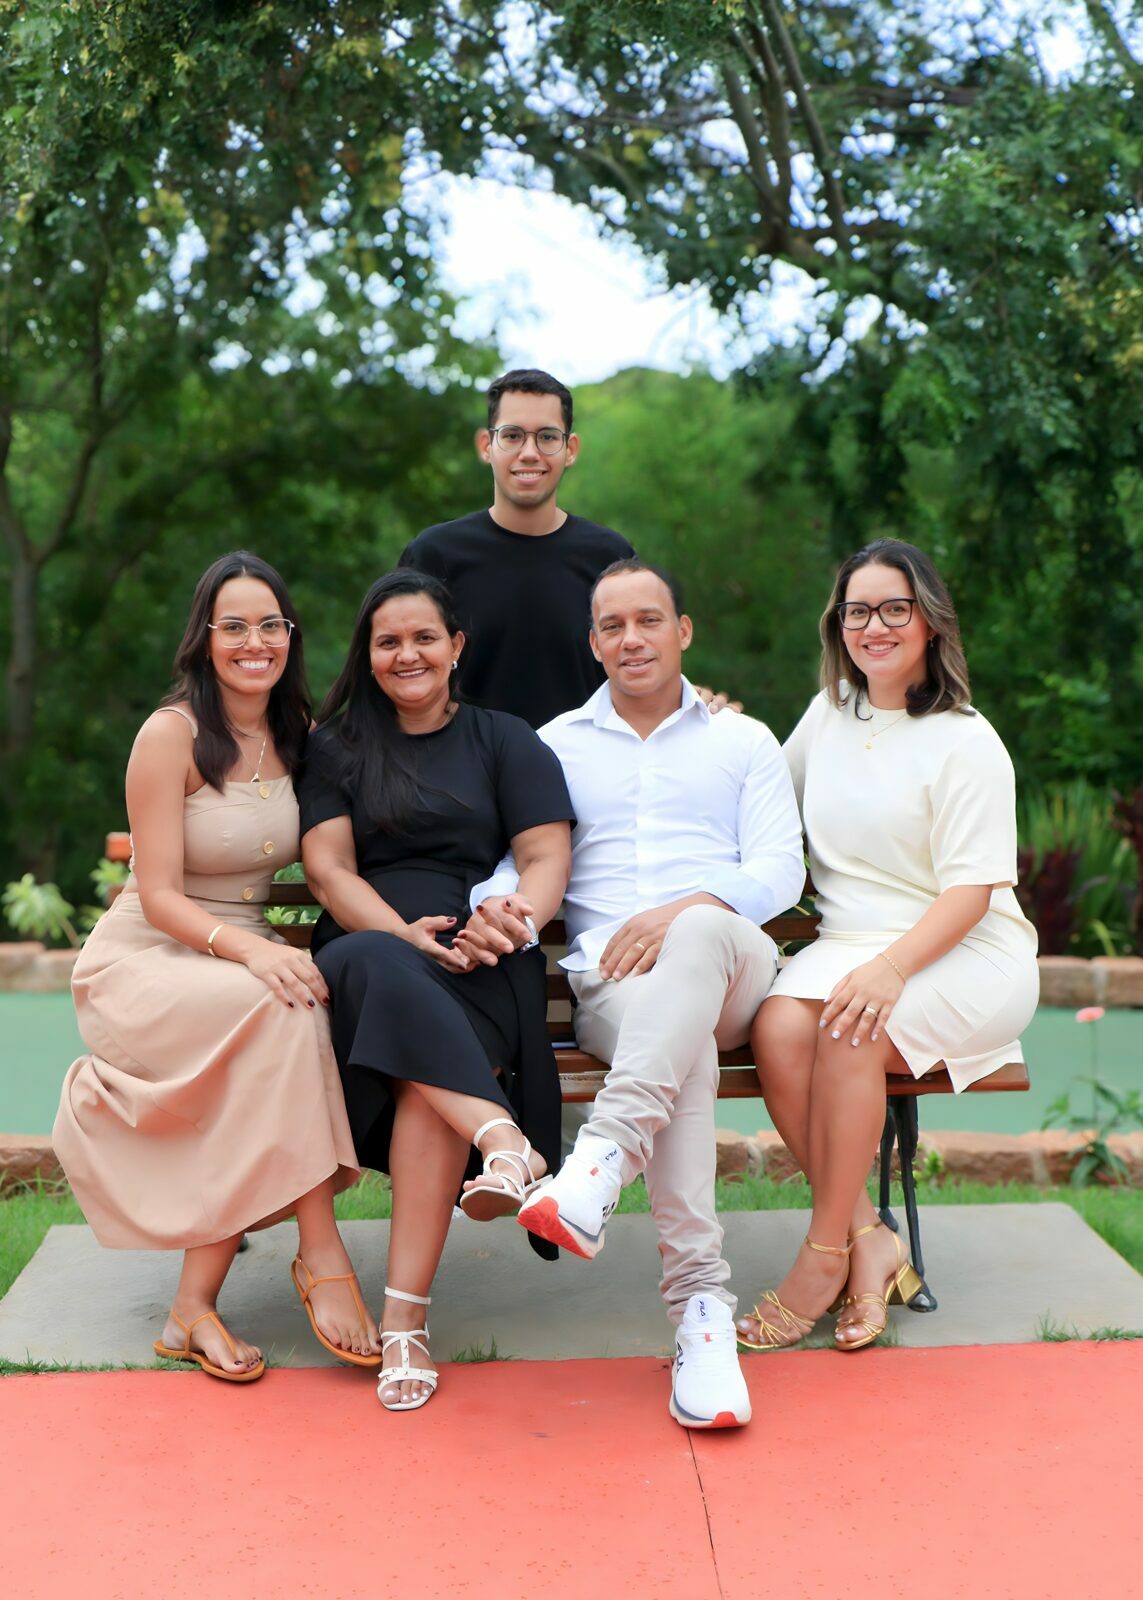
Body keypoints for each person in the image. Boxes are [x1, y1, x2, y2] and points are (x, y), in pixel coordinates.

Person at [458, 559, 805, 1430]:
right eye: (612, 625)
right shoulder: (553, 745)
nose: (631, 638)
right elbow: (516, 862)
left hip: (730, 965)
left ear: (682, 631)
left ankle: (602, 1158)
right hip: (613, 987)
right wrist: (493, 905)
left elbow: (779, 870)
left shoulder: (742, 740)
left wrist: (681, 911)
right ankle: (701, 1315)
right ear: (592, 643)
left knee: (697, 938)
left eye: (648, 620)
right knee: (676, 1048)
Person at [54, 552, 377, 1383]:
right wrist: (257, 950)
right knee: (283, 1008)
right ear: (204, 638)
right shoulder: (171, 735)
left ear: (290, 636)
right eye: (233, 626)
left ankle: (190, 1309)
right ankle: (320, 1251)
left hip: (238, 961)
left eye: (270, 625)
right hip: (149, 956)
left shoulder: (300, 733)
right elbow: (159, 896)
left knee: (278, 1022)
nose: (253, 642)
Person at [737, 538, 1039, 1354]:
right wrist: (711, 728)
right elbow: (763, 798)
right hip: (849, 943)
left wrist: (890, 968)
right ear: (837, 625)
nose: (874, 626)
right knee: (777, 1027)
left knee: (848, 1030)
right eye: (857, 611)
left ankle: (820, 1257)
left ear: (929, 622)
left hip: (962, 948)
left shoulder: (965, 740)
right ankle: (869, 1238)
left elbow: (970, 895)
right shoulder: (828, 715)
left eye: (893, 608)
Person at [298, 569, 574, 1412]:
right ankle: (505, 1141)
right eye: (387, 641)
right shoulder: (335, 747)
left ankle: (404, 1325)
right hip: (366, 950)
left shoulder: (505, 739)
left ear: (456, 646)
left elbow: (544, 856)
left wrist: (513, 921)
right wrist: (398, 933)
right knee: (377, 965)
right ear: (368, 654)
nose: (406, 653)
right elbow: (328, 870)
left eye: (424, 637)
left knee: (427, 1085)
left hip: (480, 956)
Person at [397, 368, 634, 729]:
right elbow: (397, 670)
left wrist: (692, 700)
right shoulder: (435, 554)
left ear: (570, 449)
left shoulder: (609, 557)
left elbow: (641, 665)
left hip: (583, 763)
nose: (529, 453)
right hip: (463, 762)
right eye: (512, 436)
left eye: (547, 437)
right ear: (486, 446)